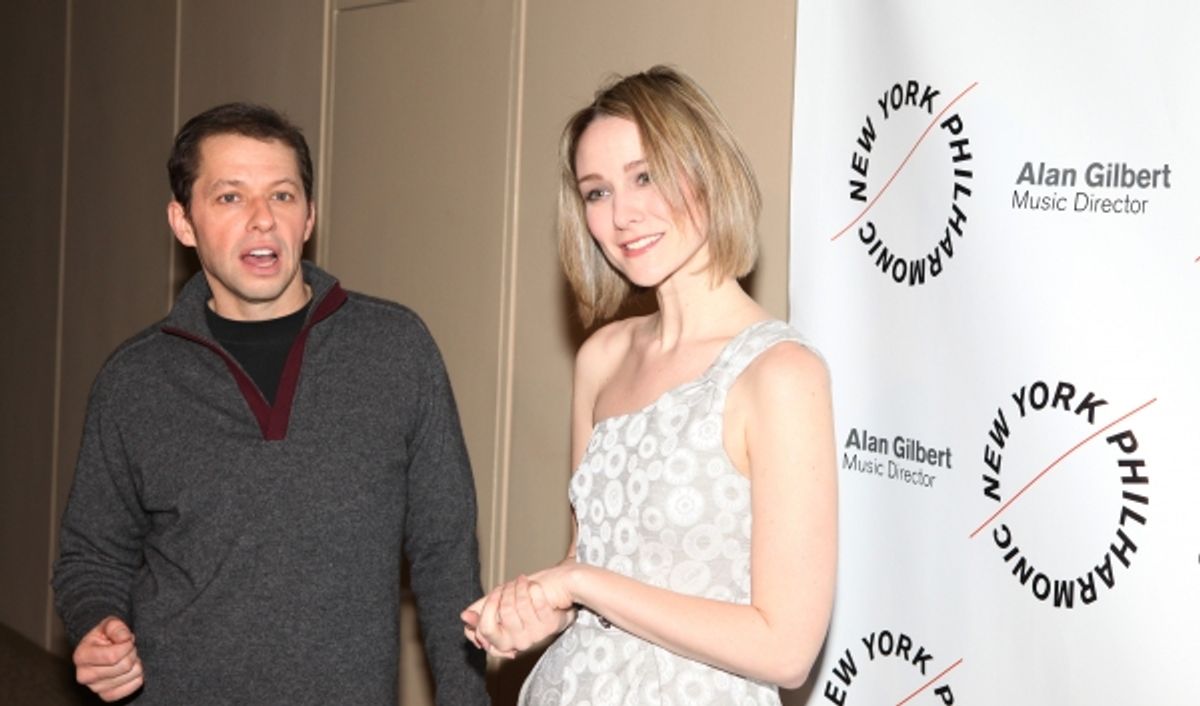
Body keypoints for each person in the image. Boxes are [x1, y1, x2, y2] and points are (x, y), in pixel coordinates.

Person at [52, 103, 488, 705]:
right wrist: (98, 624)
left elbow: (446, 555)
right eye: (230, 197)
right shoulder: (134, 380)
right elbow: (92, 556)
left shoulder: (395, 350)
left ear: (308, 217)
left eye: (282, 195)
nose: (262, 219)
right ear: (183, 222)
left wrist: (465, 698)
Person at [462, 66, 838, 705]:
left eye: (646, 176)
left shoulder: (779, 374)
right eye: (597, 192)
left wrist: (581, 584)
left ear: (707, 172)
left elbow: (787, 650)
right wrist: (537, 612)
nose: (623, 215)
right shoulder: (602, 358)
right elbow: (589, 558)